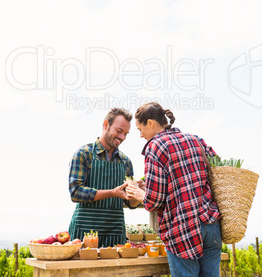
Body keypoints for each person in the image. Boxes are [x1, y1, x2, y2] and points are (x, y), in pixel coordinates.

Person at [126, 102, 222, 277]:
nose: (140, 135)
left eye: (140, 129)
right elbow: (218, 168)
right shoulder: (196, 139)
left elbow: (154, 202)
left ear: (151, 123)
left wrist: (141, 194)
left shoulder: (155, 146)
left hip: (183, 229)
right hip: (211, 225)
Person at [68, 108, 140, 247]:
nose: (122, 137)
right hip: (84, 232)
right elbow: (75, 193)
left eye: (126, 134)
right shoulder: (84, 154)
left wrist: (137, 193)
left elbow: (130, 204)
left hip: (115, 233)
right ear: (106, 125)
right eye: (119, 131)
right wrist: (112, 193)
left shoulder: (125, 162)